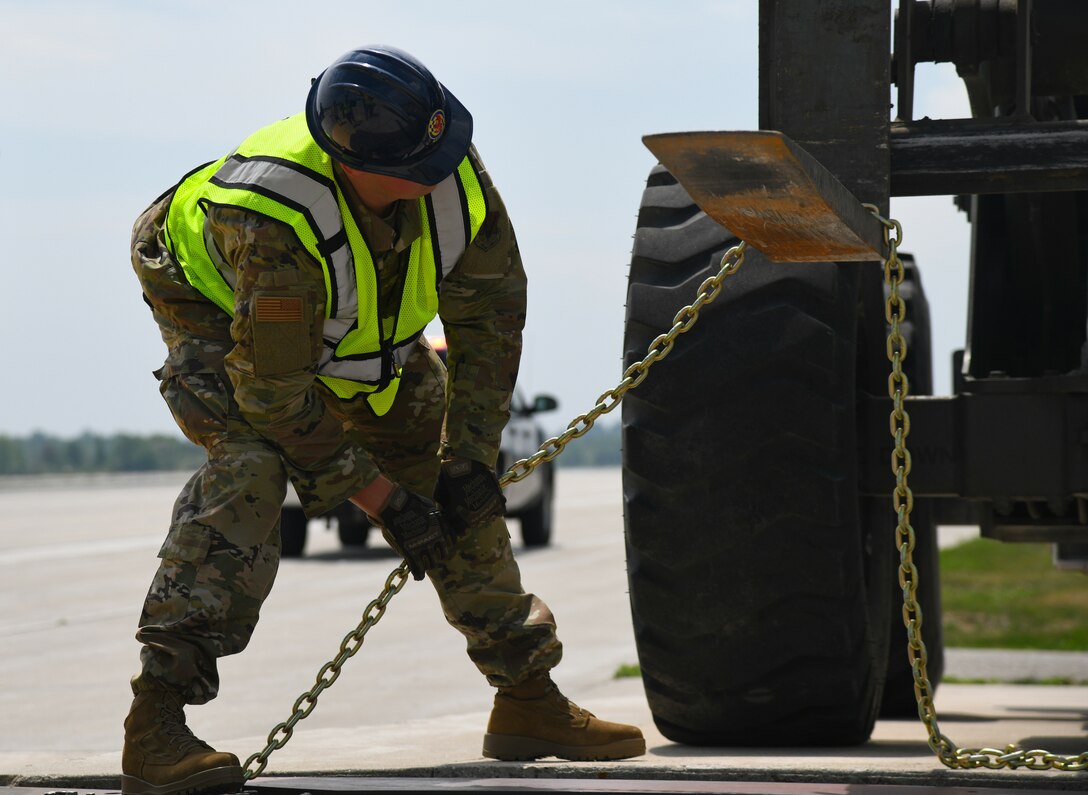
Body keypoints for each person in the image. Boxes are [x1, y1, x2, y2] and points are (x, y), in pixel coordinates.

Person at [122, 45, 645, 795]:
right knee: (252, 467)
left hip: (356, 330)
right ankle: (156, 724)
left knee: (452, 479)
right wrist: (383, 500)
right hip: (214, 311)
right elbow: (275, 395)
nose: (448, 161)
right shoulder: (272, 218)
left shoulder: (445, 165)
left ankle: (528, 697)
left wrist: (469, 458)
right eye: (425, 158)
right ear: (357, 163)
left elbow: (490, 318)